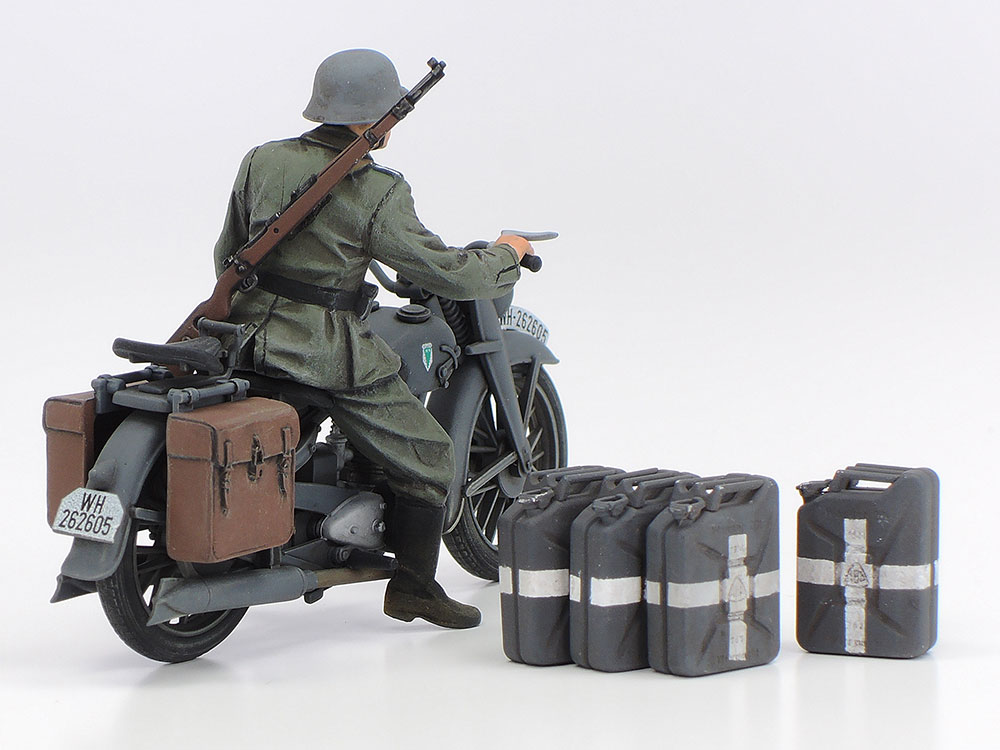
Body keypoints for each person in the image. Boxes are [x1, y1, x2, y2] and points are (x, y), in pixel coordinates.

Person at [212, 49, 533, 629]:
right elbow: (447, 272)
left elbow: (227, 255)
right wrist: (505, 255)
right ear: (376, 119)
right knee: (431, 454)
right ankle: (414, 588)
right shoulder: (377, 189)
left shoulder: (262, 160)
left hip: (243, 336)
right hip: (321, 350)